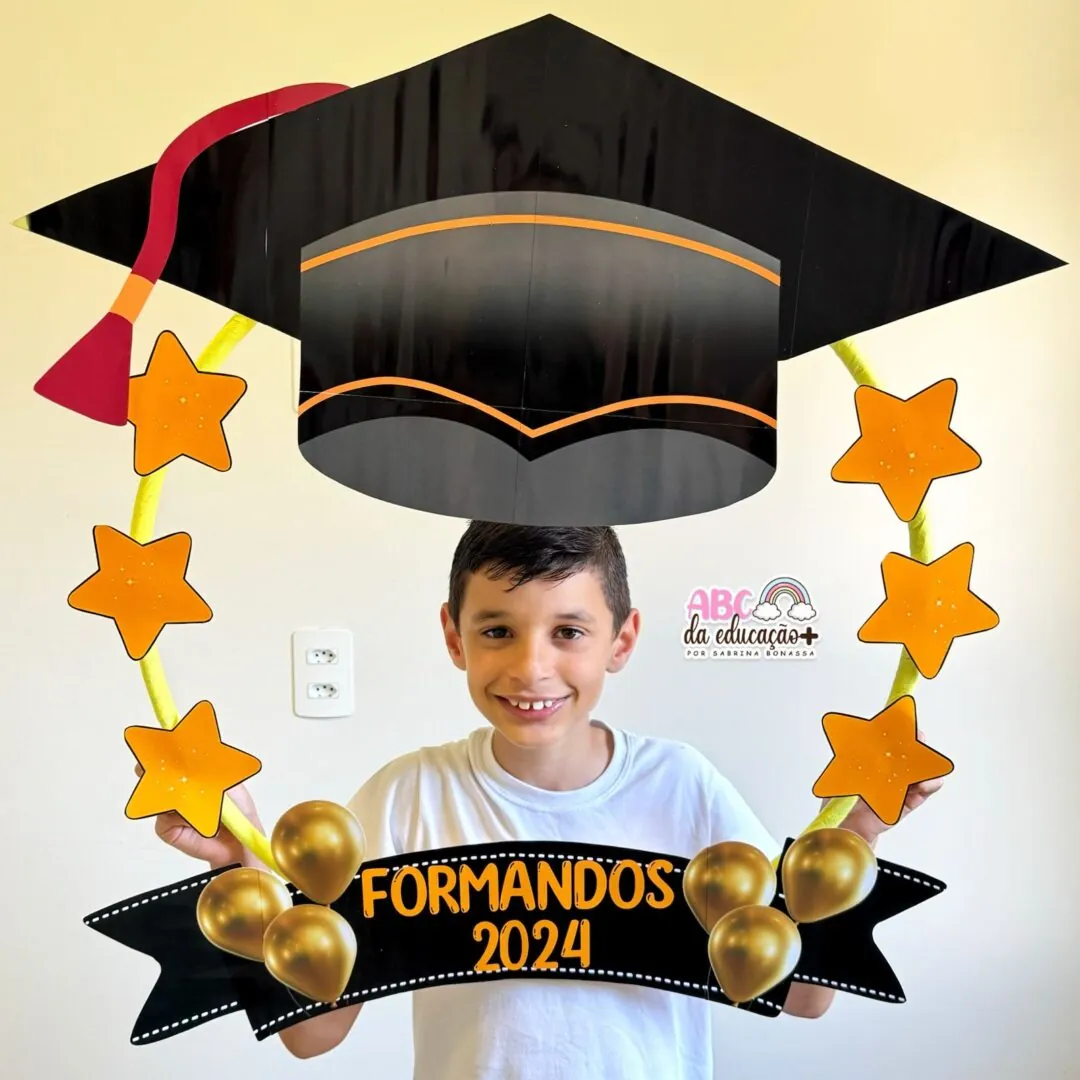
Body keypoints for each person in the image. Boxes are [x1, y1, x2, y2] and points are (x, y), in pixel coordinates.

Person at [150, 521, 943, 1078]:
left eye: (568, 631)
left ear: (622, 640)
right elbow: (312, 1034)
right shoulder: (408, 796)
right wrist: (239, 867)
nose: (531, 668)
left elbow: (804, 994)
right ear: (454, 636)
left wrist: (859, 832)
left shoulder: (682, 786)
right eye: (497, 631)